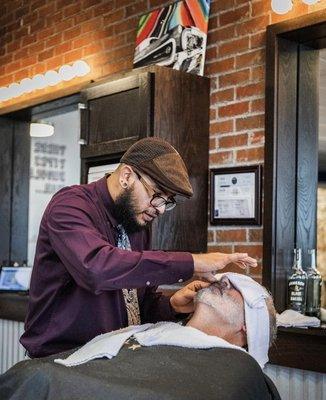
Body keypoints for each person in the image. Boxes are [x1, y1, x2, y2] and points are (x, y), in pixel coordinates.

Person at [20, 137, 257, 358]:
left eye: (168, 201)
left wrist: (172, 304)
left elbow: (138, 304)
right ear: (126, 176)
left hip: (108, 359)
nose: (161, 209)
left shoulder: (137, 224)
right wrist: (192, 262)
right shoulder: (70, 206)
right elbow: (97, 268)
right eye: (157, 195)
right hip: (58, 360)